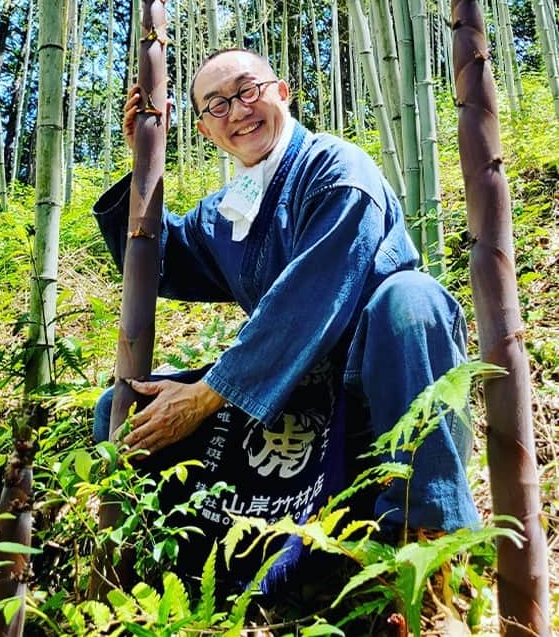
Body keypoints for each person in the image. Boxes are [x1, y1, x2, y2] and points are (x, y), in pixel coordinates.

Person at [93, 47, 478, 554]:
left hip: (378, 388)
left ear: (281, 92)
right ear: (205, 130)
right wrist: (145, 163)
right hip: (288, 398)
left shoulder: (338, 169)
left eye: (248, 90)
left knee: (410, 301)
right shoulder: (226, 211)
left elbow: (311, 296)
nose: (237, 110)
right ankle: (166, 555)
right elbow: (161, 265)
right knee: (122, 409)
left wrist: (209, 394)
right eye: (217, 105)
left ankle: (427, 533)